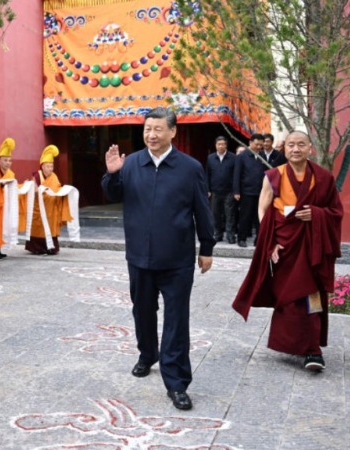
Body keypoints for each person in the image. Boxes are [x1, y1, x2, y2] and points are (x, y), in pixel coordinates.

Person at [101, 107, 215, 411]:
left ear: (173, 132)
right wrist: (112, 175)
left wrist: (206, 246)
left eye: (158, 129)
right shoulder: (131, 163)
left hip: (177, 259)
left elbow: (201, 210)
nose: (151, 134)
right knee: (143, 312)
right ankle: (147, 354)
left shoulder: (190, 168)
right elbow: (113, 194)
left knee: (177, 320)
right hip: (139, 256)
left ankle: (176, 382)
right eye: (147, 129)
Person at [232, 130, 343, 371]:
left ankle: (313, 350)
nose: (295, 149)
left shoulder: (323, 178)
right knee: (289, 298)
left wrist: (317, 213)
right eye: (291, 145)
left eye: (301, 145)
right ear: (285, 149)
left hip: (312, 248)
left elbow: (336, 212)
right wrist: (269, 242)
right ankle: (291, 343)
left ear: (310, 148)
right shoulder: (274, 175)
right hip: (285, 247)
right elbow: (263, 211)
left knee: (312, 296)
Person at [24, 145, 72, 256]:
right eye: (48, 166)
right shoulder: (37, 175)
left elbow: (57, 187)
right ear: (42, 166)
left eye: (52, 166)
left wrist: (63, 192)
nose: (50, 169)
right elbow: (34, 191)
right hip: (39, 208)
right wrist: (41, 190)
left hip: (51, 209)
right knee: (38, 227)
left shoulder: (54, 176)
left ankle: (51, 248)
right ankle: (37, 248)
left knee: (50, 227)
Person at [233, 133, 268, 247]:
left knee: (259, 217)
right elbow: (237, 174)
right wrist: (236, 191)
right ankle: (241, 239)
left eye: (261, 145)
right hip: (246, 191)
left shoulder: (263, 155)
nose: (259, 147)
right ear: (250, 143)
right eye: (257, 144)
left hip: (261, 192)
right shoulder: (242, 156)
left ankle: (259, 239)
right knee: (245, 216)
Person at [205, 136, 237, 244]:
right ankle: (217, 235)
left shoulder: (233, 157)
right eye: (219, 144)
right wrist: (207, 189)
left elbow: (236, 176)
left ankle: (230, 235)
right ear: (215, 145)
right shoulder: (210, 158)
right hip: (214, 191)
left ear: (226, 145)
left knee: (230, 215)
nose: (221, 146)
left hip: (229, 191)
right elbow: (207, 175)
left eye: (223, 144)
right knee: (215, 214)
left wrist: (235, 191)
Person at [0, 138, 16, 260]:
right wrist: (0, 185)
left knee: (2, 228)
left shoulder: (10, 174)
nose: (8, 163)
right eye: (5, 160)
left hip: (4, 205)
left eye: (10, 160)